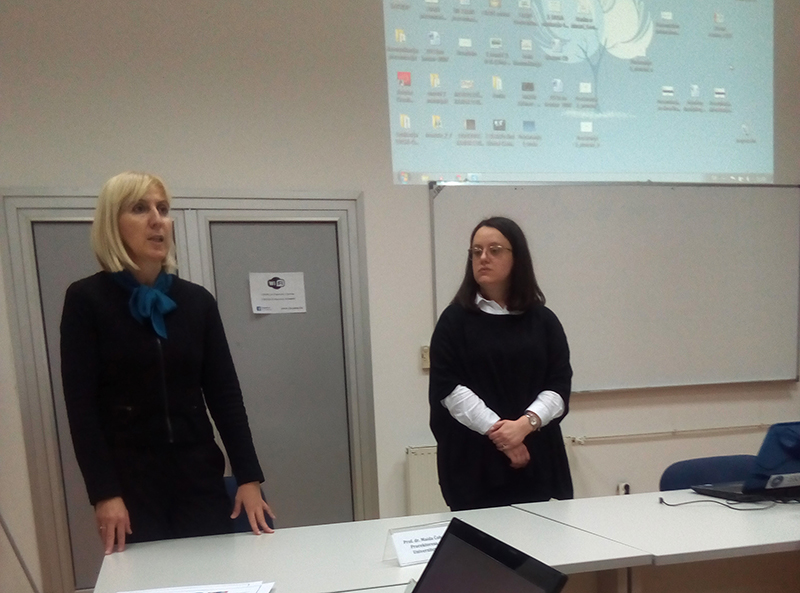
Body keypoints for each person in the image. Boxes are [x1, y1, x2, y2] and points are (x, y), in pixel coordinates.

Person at [60, 171, 275, 554]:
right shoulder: (86, 301)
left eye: (163, 208)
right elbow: (81, 410)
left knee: (214, 573)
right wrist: (103, 492)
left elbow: (225, 395)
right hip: (130, 486)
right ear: (112, 223)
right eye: (140, 209)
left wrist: (248, 477)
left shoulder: (196, 302)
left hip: (198, 477)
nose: (157, 220)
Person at [428, 216, 573, 511]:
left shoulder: (543, 321)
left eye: (494, 250)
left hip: (536, 457)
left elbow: (558, 385)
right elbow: (449, 389)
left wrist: (525, 425)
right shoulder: (454, 321)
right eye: (476, 251)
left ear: (516, 257)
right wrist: (502, 434)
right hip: (475, 466)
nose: (483, 258)